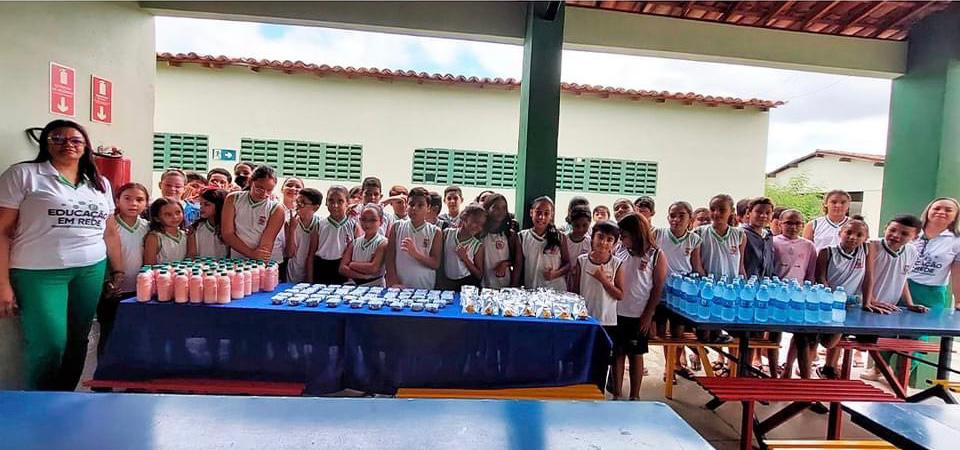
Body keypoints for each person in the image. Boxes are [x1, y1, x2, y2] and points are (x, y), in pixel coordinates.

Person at [0, 119, 124, 390]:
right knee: (50, 343)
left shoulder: (99, 182)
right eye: (58, 139)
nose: (68, 144)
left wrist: (117, 271)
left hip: (90, 269)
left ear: (86, 147)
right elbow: (2, 231)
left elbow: (110, 232)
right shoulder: (24, 175)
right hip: (37, 271)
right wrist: (3, 285)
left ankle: (64, 398)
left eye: (76, 140)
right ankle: (39, 403)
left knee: (79, 339)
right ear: (46, 144)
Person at [861, 215, 928, 381]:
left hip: (887, 310)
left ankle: (894, 381)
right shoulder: (871, 247)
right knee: (860, 343)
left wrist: (910, 303)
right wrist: (870, 299)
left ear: (915, 237)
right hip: (865, 306)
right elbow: (862, 275)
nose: (896, 236)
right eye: (893, 230)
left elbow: (903, 277)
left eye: (904, 233)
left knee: (889, 344)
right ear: (885, 229)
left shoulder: (911, 251)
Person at [805, 217, 872, 380]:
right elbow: (820, 278)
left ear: (865, 238)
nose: (853, 237)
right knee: (815, 339)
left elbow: (869, 277)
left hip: (850, 305)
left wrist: (867, 301)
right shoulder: (827, 252)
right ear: (840, 233)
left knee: (837, 339)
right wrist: (833, 299)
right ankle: (805, 374)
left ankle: (829, 367)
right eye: (848, 232)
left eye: (859, 234)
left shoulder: (867, 251)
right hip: (826, 304)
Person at [905, 197, 960, 386]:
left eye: (948, 210)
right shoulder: (912, 232)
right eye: (937, 208)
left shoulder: (956, 241)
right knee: (887, 333)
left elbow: (956, 273)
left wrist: (959, 300)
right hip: (903, 288)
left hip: (932, 292)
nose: (941, 212)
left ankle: (900, 377)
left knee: (919, 338)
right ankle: (878, 369)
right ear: (928, 210)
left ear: (955, 216)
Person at [614, 213, 666, 400]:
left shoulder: (655, 255)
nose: (621, 239)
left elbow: (657, 288)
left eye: (625, 235)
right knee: (617, 354)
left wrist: (648, 314)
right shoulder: (618, 250)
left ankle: (634, 396)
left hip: (638, 314)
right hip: (617, 311)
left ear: (637, 235)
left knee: (635, 354)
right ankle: (617, 394)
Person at [570, 220, 625, 396]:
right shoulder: (582, 261)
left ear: (615, 244)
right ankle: (581, 392)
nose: (603, 242)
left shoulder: (617, 264)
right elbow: (575, 292)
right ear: (592, 238)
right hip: (585, 320)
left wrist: (603, 279)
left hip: (607, 321)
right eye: (600, 237)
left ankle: (598, 394)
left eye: (609, 239)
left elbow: (620, 294)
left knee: (602, 360)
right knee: (582, 357)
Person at [98, 182, 149, 356]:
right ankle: (102, 381)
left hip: (138, 291)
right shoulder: (108, 227)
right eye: (127, 198)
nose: (133, 204)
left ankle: (132, 380)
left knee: (136, 335)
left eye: (139, 200)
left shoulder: (148, 228)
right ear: (117, 201)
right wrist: (107, 281)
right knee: (109, 334)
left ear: (146, 204)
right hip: (112, 291)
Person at [654, 201, 704, 376]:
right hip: (659, 290)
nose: (676, 219)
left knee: (678, 331)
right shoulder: (658, 234)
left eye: (681, 215)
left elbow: (696, 265)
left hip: (681, 293)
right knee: (660, 332)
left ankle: (674, 365)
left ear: (690, 218)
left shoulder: (694, 239)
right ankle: (670, 366)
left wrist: (703, 285)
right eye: (672, 215)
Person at [772, 209, 817, 379]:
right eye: (789, 222)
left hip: (798, 296)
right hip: (775, 296)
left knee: (800, 336)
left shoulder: (808, 246)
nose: (793, 226)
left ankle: (790, 368)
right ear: (780, 224)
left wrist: (808, 292)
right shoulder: (772, 242)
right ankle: (772, 371)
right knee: (774, 335)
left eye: (797, 223)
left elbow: (811, 273)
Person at [221, 165, 285, 262]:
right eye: (259, 188)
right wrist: (251, 253)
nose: (264, 194)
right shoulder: (233, 199)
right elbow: (227, 233)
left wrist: (258, 257)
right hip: (238, 258)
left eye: (269, 190)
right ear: (250, 182)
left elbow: (267, 243)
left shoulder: (276, 209)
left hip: (265, 261)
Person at [386, 187, 442, 289]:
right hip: (400, 286)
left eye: (420, 205)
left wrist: (415, 254)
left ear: (428, 208)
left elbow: (435, 263)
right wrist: (394, 282)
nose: (414, 208)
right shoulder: (397, 226)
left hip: (424, 287)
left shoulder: (435, 231)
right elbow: (389, 259)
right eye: (411, 204)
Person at [515, 196, 570, 290]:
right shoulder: (522, 237)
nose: (541, 217)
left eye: (546, 213)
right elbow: (518, 266)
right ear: (531, 213)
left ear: (551, 215)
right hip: (533, 290)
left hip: (556, 291)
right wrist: (514, 288)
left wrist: (555, 274)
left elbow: (568, 263)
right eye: (538, 212)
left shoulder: (560, 237)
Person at [308, 186, 359, 284]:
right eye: (331, 200)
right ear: (326, 202)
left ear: (347, 203)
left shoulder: (354, 226)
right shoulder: (319, 225)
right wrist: (309, 280)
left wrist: (352, 278)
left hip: (343, 269)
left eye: (340, 201)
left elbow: (357, 255)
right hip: (321, 268)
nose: (335, 205)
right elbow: (311, 255)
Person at [696, 194, 746, 278]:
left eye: (722, 210)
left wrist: (744, 283)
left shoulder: (739, 235)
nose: (716, 213)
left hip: (731, 287)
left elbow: (740, 265)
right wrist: (706, 281)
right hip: (708, 286)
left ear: (732, 211)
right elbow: (697, 264)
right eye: (712, 209)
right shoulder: (699, 232)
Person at [339, 203, 389, 286]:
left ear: (381, 222)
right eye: (364, 219)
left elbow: (373, 268)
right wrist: (363, 276)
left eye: (372, 220)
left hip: (375, 286)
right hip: (355, 285)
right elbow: (342, 268)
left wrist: (352, 264)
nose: (367, 224)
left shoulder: (383, 242)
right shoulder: (355, 242)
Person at [441, 204, 486, 289]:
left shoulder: (477, 245)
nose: (478, 227)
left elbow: (479, 274)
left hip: (467, 283)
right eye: (475, 222)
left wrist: (465, 258)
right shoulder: (447, 234)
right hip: (447, 282)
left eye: (481, 225)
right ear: (464, 218)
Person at [481, 193, 519, 289]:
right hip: (482, 284)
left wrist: (505, 263)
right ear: (487, 209)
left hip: (504, 285)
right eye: (496, 208)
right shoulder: (480, 233)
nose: (501, 211)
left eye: (504, 208)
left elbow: (517, 260)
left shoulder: (510, 234)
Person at [284, 188, 321, 283]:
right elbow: (289, 253)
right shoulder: (290, 223)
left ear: (315, 208)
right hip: (294, 272)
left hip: (314, 272)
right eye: (297, 202)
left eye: (303, 203)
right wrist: (292, 230)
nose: (298, 206)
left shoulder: (321, 224)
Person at [186, 188, 229, 258]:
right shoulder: (195, 228)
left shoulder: (228, 227)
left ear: (219, 206)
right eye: (200, 204)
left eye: (206, 204)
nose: (201, 207)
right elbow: (192, 254)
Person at [143, 198, 186, 265]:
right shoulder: (155, 237)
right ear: (157, 218)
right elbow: (149, 265)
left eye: (178, 212)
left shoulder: (185, 235)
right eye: (168, 214)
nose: (175, 217)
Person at [742, 197, 777, 278]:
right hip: (746, 284)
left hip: (764, 284)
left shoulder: (769, 236)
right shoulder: (742, 234)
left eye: (768, 213)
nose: (763, 216)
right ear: (748, 213)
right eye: (758, 212)